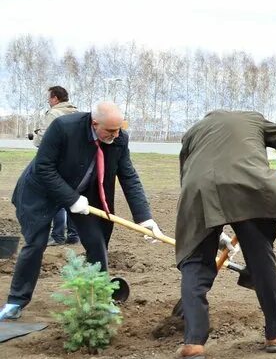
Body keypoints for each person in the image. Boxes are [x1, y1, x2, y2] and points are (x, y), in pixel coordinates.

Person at [0, 102, 164, 320]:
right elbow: (43, 167)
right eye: (110, 131)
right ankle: (15, 301)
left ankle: (100, 299)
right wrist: (71, 198)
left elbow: (129, 176)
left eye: (118, 130)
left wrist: (145, 218)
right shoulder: (63, 127)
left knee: (96, 242)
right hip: (41, 192)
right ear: (94, 123)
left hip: (84, 193)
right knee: (36, 243)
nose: (116, 135)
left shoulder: (119, 138)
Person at [172, 110, 276, 359]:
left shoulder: (192, 132)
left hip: (200, 192)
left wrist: (211, 225)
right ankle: (275, 334)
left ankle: (193, 343)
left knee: (195, 264)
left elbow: (186, 175)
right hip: (251, 188)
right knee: (261, 261)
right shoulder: (253, 120)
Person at [30, 86, 80, 246]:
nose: (48, 100)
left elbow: (44, 139)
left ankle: (57, 235)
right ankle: (73, 235)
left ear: (55, 98)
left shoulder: (53, 114)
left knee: (55, 196)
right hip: (75, 163)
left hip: (56, 162)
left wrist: (35, 137)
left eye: (49, 97)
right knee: (73, 196)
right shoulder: (76, 114)